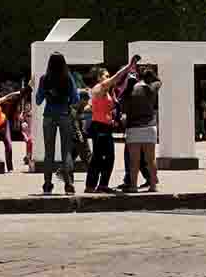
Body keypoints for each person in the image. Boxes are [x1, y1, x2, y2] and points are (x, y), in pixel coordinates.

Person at [85, 57, 138, 193]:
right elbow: (116, 77)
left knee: (105, 157)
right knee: (101, 157)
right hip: (99, 127)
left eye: (108, 75)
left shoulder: (108, 91)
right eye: (106, 75)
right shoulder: (100, 87)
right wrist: (128, 66)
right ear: (99, 78)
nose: (109, 78)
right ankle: (94, 186)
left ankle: (98, 185)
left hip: (105, 126)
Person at [36, 52, 81, 194]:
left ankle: (47, 185)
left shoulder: (45, 79)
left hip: (48, 116)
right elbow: (75, 99)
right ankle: (68, 184)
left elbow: (38, 100)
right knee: (66, 151)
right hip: (64, 115)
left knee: (49, 152)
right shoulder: (68, 78)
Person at [122, 67, 163, 193]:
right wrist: (151, 74)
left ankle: (133, 186)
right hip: (149, 127)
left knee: (134, 160)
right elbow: (159, 81)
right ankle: (153, 186)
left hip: (133, 128)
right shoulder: (151, 88)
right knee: (150, 160)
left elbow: (123, 108)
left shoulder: (128, 92)